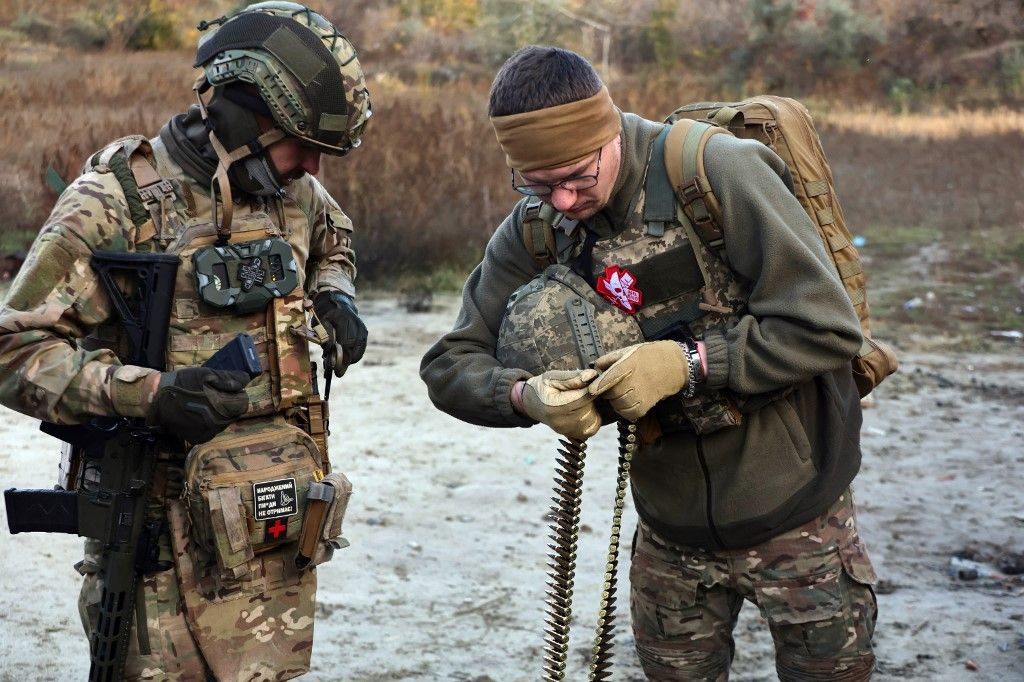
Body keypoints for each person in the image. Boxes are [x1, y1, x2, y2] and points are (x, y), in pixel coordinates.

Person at [420, 45, 879, 680]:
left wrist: (688, 364)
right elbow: (449, 364)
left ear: (609, 130)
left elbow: (827, 328)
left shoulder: (717, 173)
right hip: (670, 534)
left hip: (799, 517)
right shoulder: (537, 229)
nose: (561, 199)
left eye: (578, 175)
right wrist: (528, 396)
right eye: (537, 183)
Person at [0, 3, 370, 679]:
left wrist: (336, 296)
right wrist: (153, 393)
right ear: (240, 116)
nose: (313, 164)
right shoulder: (117, 202)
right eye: (302, 143)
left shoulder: (293, 193)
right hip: (156, 556)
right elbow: (14, 352)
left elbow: (333, 242)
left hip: (271, 536)